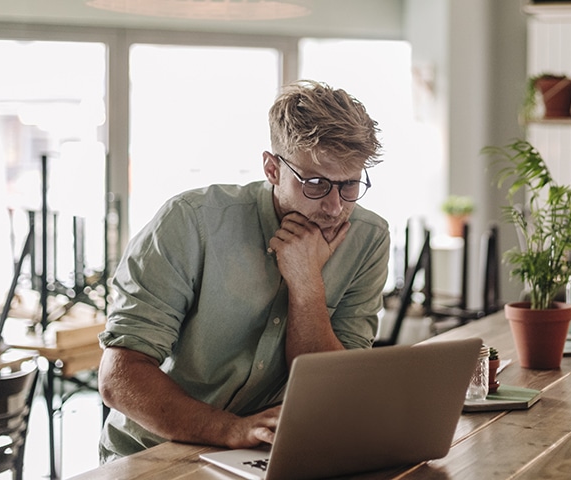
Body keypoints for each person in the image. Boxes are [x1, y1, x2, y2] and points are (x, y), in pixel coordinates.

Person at [97, 79, 390, 462]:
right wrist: (230, 429)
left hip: (265, 452)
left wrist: (307, 287)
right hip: (154, 451)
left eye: (349, 184)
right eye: (315, 183)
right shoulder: (190, 222)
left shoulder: (368, 238)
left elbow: (336, 390)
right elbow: (119, 377)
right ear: (272, 169)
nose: (335, 207)